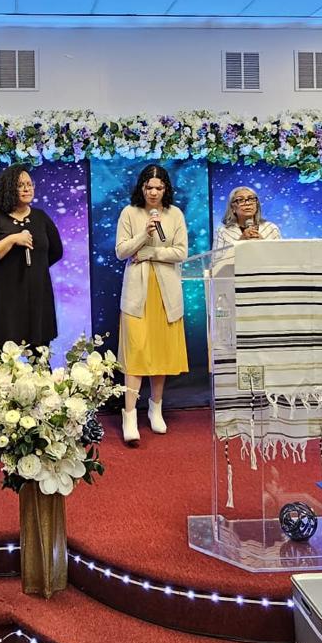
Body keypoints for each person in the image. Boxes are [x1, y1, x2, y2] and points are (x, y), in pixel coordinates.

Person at [115, 164, 188, 447]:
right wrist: (143, 236)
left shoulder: (175, 214)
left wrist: (151, 253)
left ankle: (155, 408)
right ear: (142, 188)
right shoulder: (129, 212)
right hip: (138, 293)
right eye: (149, 187)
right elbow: (121, 251)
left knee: (161, 351)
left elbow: (181, 252)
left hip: (166, 292)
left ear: (165, 189)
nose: (154, 192)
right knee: (136, 351)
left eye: (159, 187)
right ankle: (129, 414)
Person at [0, 164, 63, 350]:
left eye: (29, 184)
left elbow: (56, 251)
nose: (26, 189)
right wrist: (12, 239)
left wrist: (36, 269)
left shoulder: (41, 217)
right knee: (3, 360)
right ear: (9, 189)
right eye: (20, 185)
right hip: (5, 300)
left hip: (37, 297)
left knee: (39, 358)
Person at [213, 187, 283, 251]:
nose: (247, 203)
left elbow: (281, 256)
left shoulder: (271, 228)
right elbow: (216, 259)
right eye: (240, 200)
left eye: (251, 199)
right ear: (233, 208)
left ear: (257, 205)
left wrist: (263, 243)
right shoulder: (223, 232)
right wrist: (240, 243)